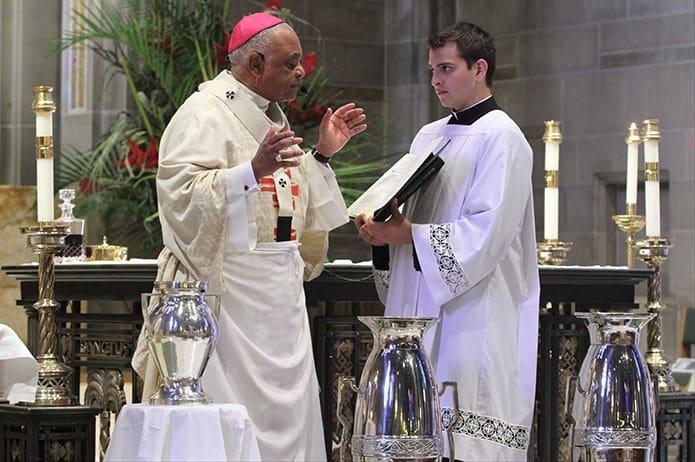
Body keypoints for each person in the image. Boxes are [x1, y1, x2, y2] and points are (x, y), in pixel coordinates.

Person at [131, 12, 367, 461]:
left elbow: (287, 204)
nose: (301, 73)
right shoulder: (203, 113)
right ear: (254, 65)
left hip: (280, 300)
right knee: (229, 419)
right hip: (229, 299)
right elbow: (179, 195)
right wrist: (250, 171)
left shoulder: (268, 118)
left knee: (291, 415)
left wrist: (322, 155)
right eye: (290, 63)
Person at [355, 22, 539, 461]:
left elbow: (487, 233)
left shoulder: (504, 138)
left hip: (472, 315)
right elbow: (409, 216)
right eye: (432, 69)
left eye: (446, 68)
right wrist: (383, 233)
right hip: (418, 303)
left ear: (479, 68)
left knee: (463, 438)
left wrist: (408, 235)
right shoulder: (429, 136)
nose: (435, 79)